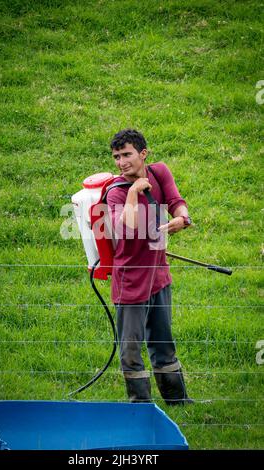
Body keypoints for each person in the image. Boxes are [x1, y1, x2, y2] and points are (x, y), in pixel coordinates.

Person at [107, 128, 193, 405]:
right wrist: (133, 191)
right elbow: (128, 230)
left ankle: (177, 400)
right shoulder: (116, 194)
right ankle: (141, 406)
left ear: (143, 154)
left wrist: (182, 218)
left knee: (163, 343)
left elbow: (177, 202)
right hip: (130, 282)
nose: (122, 162)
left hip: (159, 277)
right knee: (131, 350)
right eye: (117, 157)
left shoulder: (159, 173)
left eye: (127, 155)